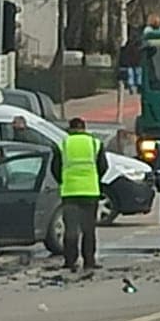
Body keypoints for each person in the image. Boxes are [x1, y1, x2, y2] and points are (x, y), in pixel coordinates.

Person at [50, 117, 108, 273]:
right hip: (90, 192)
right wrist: (94, 179)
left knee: (71, 229)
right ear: (84, 128)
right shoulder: (95, 144)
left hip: (70, 192)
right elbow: (103, 166)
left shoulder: (63, 145)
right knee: (89, 229)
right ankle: (89, 261)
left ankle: (70, 261)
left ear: (70, 129)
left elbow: (55, 168)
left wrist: (63, 181)